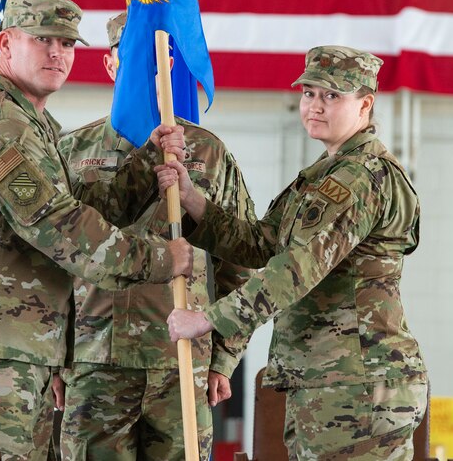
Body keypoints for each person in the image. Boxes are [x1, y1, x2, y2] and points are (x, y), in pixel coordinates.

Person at [0, 0, 193, 461]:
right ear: (6, 44)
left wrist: (151, 159)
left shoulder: (37, 126)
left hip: (26, 350)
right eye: (43, 39)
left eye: (67, 44)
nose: (57, 54)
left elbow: (84, 204)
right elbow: (56, 223)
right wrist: (158, 259)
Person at [157, 46, 428, 460]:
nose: (315, 106)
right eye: (309, 93)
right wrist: (194, 201)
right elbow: (261, 243)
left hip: (357, 385)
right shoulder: (324, 174)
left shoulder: (359, 178)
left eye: (332, 96)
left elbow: (296, 269)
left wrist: (209, 320)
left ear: (365, 104)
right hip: (327, 379)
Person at [56, 12, 256, 461]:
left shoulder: (208, 152)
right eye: (133, 59)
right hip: (95, 361)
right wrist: (55, 356)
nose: (150, 71)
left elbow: (240, 259)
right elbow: (51, 260)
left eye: (160, 60)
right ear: (110, 67)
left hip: (181, 360)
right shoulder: (73, 151)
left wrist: (223, 357)